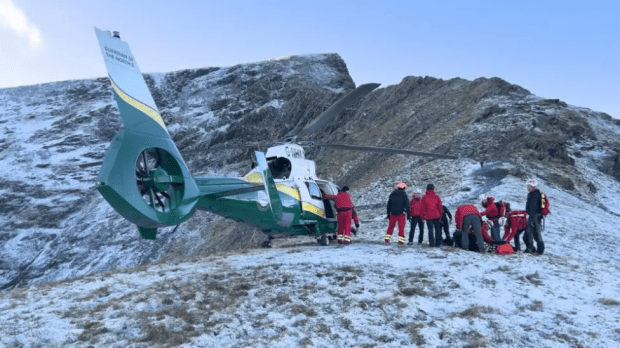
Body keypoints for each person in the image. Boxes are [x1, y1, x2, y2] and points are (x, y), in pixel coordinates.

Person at [524, 179, 545, 254]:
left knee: (536, 234)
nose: (527, 187)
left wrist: (531, 218)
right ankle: (531, 249)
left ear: (532, 186)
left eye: (529, 186)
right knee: (528, 234)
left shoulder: (535, 195)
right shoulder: (532, 194)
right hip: (533, 216)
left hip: (535, 217)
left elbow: (533, 208)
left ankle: (540, 251)